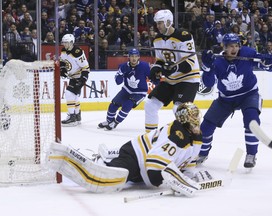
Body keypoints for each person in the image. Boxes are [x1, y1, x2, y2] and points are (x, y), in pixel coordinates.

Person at [48, 102, 208, 197]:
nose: (197, 123)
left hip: (142, 169)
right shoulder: (177, 136)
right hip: (135, 157)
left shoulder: (196, 137)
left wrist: (188, 177)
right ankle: (90, 159)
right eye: (192, 120)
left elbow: (187, 165)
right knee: (109, 178)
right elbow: (153, 172)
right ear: (184, 121)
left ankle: (106, 157)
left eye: (197, 118)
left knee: (123, 177)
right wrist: (174, 181)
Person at [197, 33, 272, 169]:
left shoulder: (248, 53)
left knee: (252, 121)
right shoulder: (217, 61)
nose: (235, 49)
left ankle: (251, 155)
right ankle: (201, 154)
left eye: (237, 46)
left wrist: (268, 62)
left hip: (248, 95)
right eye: (231, 46)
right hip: (226, 99)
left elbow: (265, 66)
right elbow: (208, 84)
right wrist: (206, 67)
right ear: (224, 47)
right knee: (206, 127)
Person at [144, 9, 201, 132]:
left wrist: (173, 68)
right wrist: (156, 69)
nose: (157, 26)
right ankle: (150, 137)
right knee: (150, 105)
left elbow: (189, 64)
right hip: (171, 80)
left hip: (188, 79)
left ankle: (190, 138)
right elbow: (160, 60)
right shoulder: (157, 39)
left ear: (168, 22)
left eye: (160, 23)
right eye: (157, 23)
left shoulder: (184, 36)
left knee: (179, 109)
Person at [98, 48, 150, 130]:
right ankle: (109, 121)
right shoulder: (123, 66)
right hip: (127, 90)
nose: (134, 58)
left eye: (136, 56)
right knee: (113, 104)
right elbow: (118, 82)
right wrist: (120, 76)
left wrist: (157, 77)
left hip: (140, 92)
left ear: (139, 57)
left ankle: (115, 122)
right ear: (128, 57)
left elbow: (153, 78)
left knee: (127, 105)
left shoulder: (145, 66)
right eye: (132, 56)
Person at [60, 34, 90, 126]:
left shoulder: (78, 52)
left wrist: (83, 79)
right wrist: (63, 70)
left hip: (79, 77)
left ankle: (72, 117)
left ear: (72, 42)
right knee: (75, 96)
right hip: (72, 77)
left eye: (67, 42)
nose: (65, 44)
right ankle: (77, 116)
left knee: (69, 94)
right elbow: (62, 62)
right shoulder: (64, 50)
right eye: (64, 42)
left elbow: (85, 67)